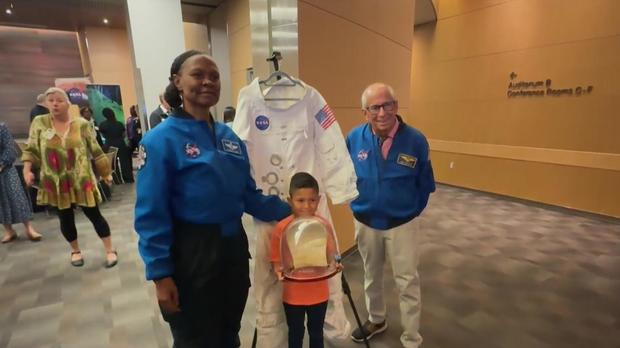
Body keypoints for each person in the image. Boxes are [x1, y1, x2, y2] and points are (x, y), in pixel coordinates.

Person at [134, 50, 291, 348]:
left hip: (232, 250)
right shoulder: (159, 140)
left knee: (228, 330)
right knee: (195, 338)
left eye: (214, 76)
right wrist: (160, 274)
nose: (208, 81)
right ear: (177, 82)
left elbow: (246, 195)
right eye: (198, 75)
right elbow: (151, 214)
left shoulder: (229, 138)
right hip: (191, 254)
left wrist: (290, 209)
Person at [346, 83, 435, 347]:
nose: (382, 112)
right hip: (365, 222)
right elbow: (344, 175)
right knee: (370, 274)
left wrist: (409, 212)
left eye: (387, 105)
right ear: (365, 112)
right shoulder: (353, 138)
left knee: (407, 281)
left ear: (396, 106)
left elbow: (425, 184)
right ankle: (377, 319)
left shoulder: (416, 140)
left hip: (402, 225)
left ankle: (411, 337)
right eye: (375, 107)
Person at [22, 87, 118, 268]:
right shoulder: (39, 123)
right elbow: (32, 149)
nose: (55, 104)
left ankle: (110, 249)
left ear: (68, 103)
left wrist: (106, 173)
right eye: (50, 100)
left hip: (81, 178)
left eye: (59, 100)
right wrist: (27, 169)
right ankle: (75, 251)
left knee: (94, 214)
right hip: (56, 181)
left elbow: (96, 151)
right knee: (65, 218)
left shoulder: (81, 124)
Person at [271, 172, 340, 348]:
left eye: (312, 200)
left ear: (318, 200)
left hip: (319, 291)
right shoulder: (282, 228)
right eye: (300, 200)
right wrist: (279, 270)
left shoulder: (323, 225)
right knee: (295, 332)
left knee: (316, 333)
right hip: (293, 293)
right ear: (290, 200)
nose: (307, 205)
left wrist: (335, 263)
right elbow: (276, 259)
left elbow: (332, 254)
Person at [0, 123, 42, 243]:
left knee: (17, 197)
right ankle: (9, 231)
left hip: (6, 169)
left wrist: (2, 164)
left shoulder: (2, 127)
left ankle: (29, 228)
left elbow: (10, 149)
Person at [99, 107, 134, 183]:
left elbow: (103, 135)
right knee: (125, 162)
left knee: (113, 164)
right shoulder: (119, 124)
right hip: (121, 143)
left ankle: (117, 180)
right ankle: (128, 178)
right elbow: (124, 134)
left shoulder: (102, 125)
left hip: (109, 144)